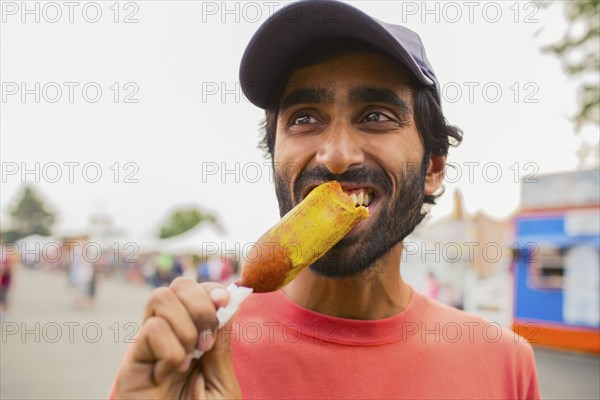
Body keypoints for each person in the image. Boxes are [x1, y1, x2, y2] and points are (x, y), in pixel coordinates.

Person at [111, 1, 540, 398]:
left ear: (433, 169)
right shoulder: (187, 357)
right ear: (275, 156)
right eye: (304, 118)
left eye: (375, 116)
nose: (336, 155)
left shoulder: (504, 363)